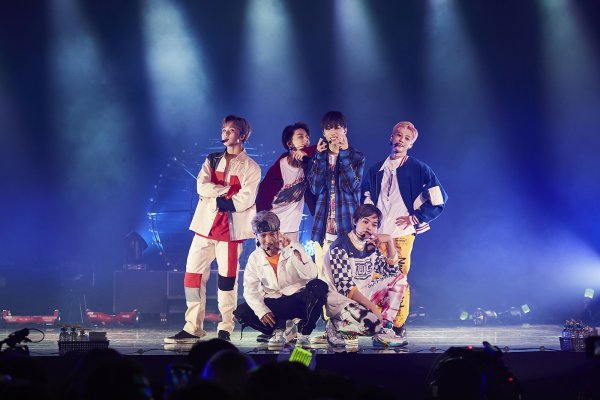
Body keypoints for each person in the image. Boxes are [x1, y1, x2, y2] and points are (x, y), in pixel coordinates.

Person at [165, 115, 261, 344]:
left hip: (230, 234)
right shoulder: (212, 159)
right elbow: (201, 185)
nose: (225, 133)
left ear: (242, 135)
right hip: (204, 229)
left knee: (227, 282)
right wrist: (226, 191)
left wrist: (216, 195)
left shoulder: (251, 167)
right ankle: (192, 327)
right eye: (224, 129)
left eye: (231, 130)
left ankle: (225, 327)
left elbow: (245, 200)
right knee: (192, 277)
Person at [361, 121, 447, 338]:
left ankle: (397, 325)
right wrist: (368, 224)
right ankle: (378, 323)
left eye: (407, 138)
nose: (401, 140)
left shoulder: (419, 168)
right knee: (374, 279)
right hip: (378, 235)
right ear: (391, 137)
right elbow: (365, 197)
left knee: (398, 280)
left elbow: (439, 198)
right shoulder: (376, 169)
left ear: (411, 144)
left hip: (401, 235)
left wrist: (417, 217)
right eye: (398, 135)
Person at [233, 211, 328, 348]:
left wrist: (289, 250)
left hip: (298, 300)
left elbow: (311, 274)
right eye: (263, 235)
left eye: (272, 234)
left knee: (319, 286)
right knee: (242, 312)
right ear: (256, 235)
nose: (268, 240)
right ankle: (279, 329)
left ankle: (303, 333)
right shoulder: (254, 258)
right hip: (276, 303)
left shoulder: (293, 247)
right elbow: (250, 290)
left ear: (278, 232)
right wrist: (262, 311)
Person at [321, 204, 408, 347]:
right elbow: (345, 288)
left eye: (374, 224)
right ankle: (336, 325)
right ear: (355, 221)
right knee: (372, 326)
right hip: (341, 302)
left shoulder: (369, 246)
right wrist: (373, 308)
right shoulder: (339, 246)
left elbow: (392, 272)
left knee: (399, 278)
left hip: (363, 295)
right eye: (365, 221)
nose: (369, 227)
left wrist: (389, 241)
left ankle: (385, 329)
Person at [306, 111, 365, 275]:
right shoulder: (318, 158)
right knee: (323, 277)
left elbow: (351, 186)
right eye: (329, 128)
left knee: (347, 277)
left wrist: (344, 154)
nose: (333, 132)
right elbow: (315, 189)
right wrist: (319, 158)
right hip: (323, 228)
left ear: (345, 130)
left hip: (347, 227)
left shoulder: (356, 156)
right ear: (324, 133)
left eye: (337, 127)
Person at [255, 122, 317, 242]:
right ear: (289, 143)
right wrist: (261, 230)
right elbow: (261, 199)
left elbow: (324, 148)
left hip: (293, 230)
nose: (306, 140)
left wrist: (307, 152)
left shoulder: (308, 165)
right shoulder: (278, 169)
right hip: (272, 230)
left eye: (307, 137)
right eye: (300, 137)